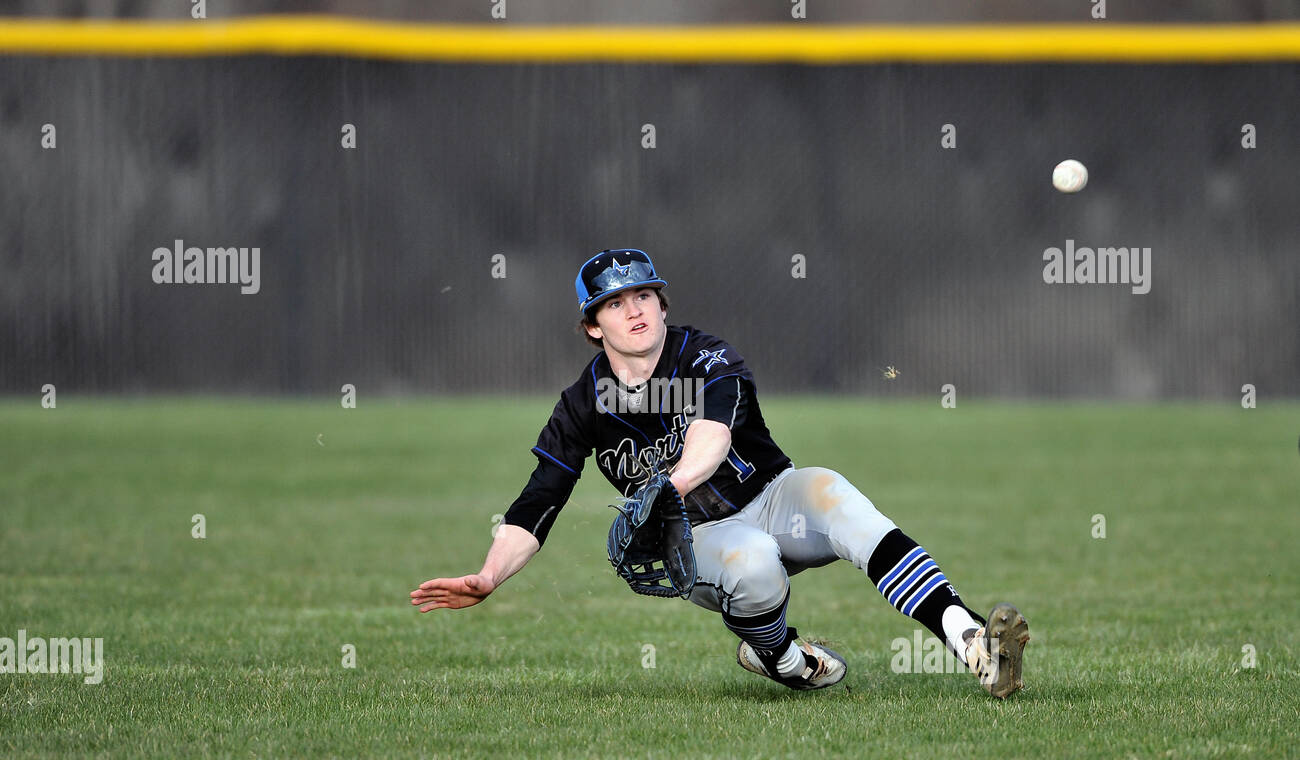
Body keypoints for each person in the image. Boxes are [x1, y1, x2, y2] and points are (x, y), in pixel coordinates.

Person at [410, 248, 1029, 697]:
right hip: (698, 538)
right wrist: (489, 576)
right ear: (592, 327)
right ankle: (783, 660)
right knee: (755, 563)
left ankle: (968, 639)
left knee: (833, 494)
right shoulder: (581, 405)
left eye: (644, 296)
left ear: (661, 303)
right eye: (615, 303)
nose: (635, 311)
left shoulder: (705, 356)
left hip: (772, 498)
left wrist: (665, 485)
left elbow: (710, 436)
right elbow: (538, 500)